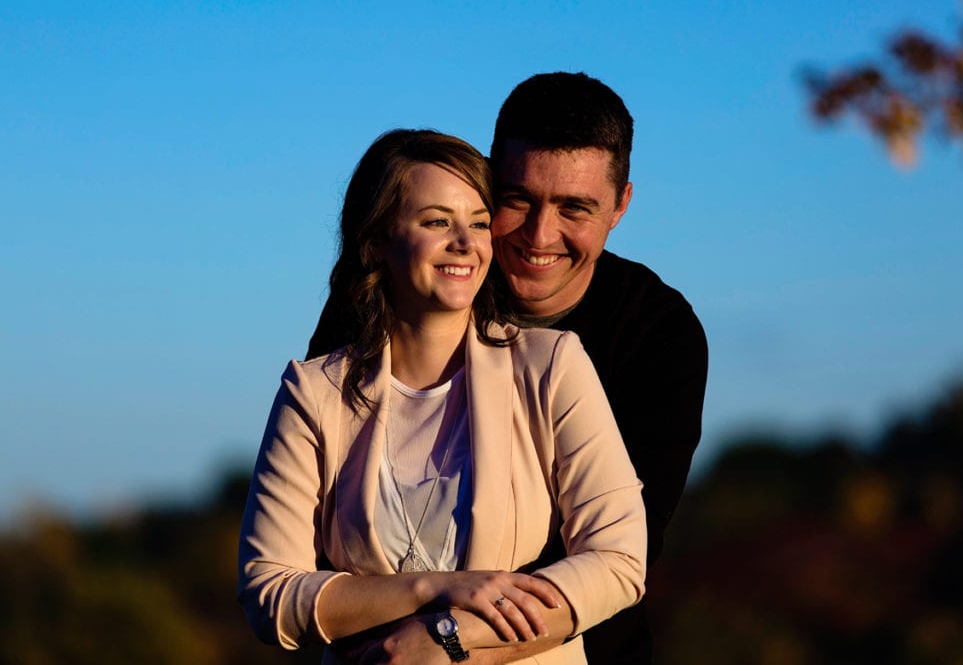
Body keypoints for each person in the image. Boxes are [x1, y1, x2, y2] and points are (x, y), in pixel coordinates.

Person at [308, 73, 708, 664]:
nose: (540, 235)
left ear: (621, 205)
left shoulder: (658, 332)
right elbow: (312, 531)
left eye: (575, 207)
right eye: (518, 200)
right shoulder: (398, 290)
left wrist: (448, 642)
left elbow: (620, 551)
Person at [238, 129, 646, 664]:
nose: (466, 243)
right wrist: (435, 589)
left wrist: (447, 638)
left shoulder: (550, 365)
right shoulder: (314, 392)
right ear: (377, 240)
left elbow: (617, 560)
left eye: (478, 223)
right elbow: (268, 592)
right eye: (437, 221)